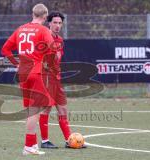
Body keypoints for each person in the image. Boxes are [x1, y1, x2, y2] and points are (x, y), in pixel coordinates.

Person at [1, 4, 56, 155]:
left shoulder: (21, 29)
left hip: (23, 74)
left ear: (33, 14)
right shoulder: (44, 29)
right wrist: (47, 63)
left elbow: (5, 49)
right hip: (36, 72)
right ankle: (28, 146)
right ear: (45, 17)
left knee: (31, 110)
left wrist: (16, 63)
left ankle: (32, 145)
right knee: (36, 110)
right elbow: (53, 49)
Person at [39, 12, 87, 149]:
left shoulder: (60, 40)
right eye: (55, 22)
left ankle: (69, 140)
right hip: (46, 78)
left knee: (62, 110)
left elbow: (57, 59)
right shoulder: (43, 38)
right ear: (49, 23)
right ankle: (44, 141)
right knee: (46, 109)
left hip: (56, 79)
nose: (57, 25)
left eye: (60, 23)